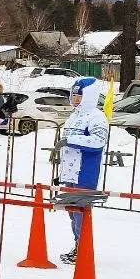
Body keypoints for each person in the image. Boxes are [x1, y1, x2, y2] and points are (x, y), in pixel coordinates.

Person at [56, 77, 109, 265]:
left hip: (85, 171)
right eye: (74, 95)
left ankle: (84, 247)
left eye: (80, 96)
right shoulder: (74, 116)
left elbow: (98, 142)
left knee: (81, 212)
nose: (76, 99)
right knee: (71, 211)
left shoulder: (97, 117)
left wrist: (71, 141)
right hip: (70, 171)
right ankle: (77, 244)